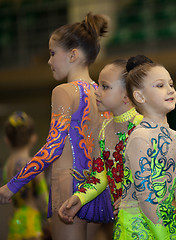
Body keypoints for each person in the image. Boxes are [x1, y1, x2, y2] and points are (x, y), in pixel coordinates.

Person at [0, 13, 113, 240]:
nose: (49, 61)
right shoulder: (102, 94)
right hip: (98, 189)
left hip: (68, 184)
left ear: (72, 54)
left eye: (52, 54)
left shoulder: (63, 91)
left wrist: (12, 185)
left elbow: (53, 148)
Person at [111, 55, 176, 239]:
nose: (170, 90)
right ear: (140, 96)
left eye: (171, 84)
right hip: (136, 228)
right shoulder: (140, 137)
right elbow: (146, 196)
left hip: (166, 224)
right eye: (160, 85)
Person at [58, 59, 144, 231]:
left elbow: (160, 178)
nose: (96, 92)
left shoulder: (145, 127)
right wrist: (79, 198)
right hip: (122, 224)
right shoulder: (102, 131)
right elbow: (100, 177)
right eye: (98, 85)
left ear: (127, 94)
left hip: (149, 221)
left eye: (104, 87)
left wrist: (134, 198)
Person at [3, 111, 49, 240]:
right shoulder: (33, 166)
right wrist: (50, 219)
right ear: (33, 138)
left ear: (7, 140)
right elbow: (43, 196)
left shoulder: (7, 166)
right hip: (31, 224)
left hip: (15, 222)